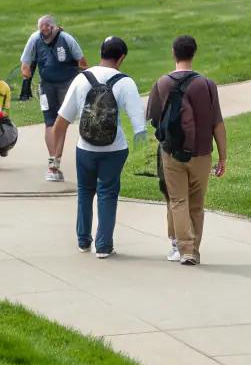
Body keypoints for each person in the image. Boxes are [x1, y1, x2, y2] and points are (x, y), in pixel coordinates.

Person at [48, 36, 142, 256]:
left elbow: (61, 121)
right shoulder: (125, 82)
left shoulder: (81, 80)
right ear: (121, 58)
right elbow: (139, 126)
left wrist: (55, 157)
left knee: (85, 192)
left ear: (100, 53)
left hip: (85, 148)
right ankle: (103, 245)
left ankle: (83, 240)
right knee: (107, 193)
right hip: (115, 149)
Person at [147, 35, 227, 265]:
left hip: (172, 152)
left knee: (178, 200)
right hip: (202, 152)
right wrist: (222, 156)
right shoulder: (207, 85)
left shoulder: (162, 83)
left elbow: (153, 117)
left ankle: (185, 250)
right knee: (197, 203)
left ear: (174, 52)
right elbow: (217, 123)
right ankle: (195, 249)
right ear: (194, 53)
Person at [19, 15, 88, 183]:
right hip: (66, 86)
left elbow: (25, 69)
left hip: (46, 86)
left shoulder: (35, 39)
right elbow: (82, 63)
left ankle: (53, 162)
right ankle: (56, 163)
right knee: (61, 123)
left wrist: (33, 71)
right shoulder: (66, 38)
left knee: (50, 123)